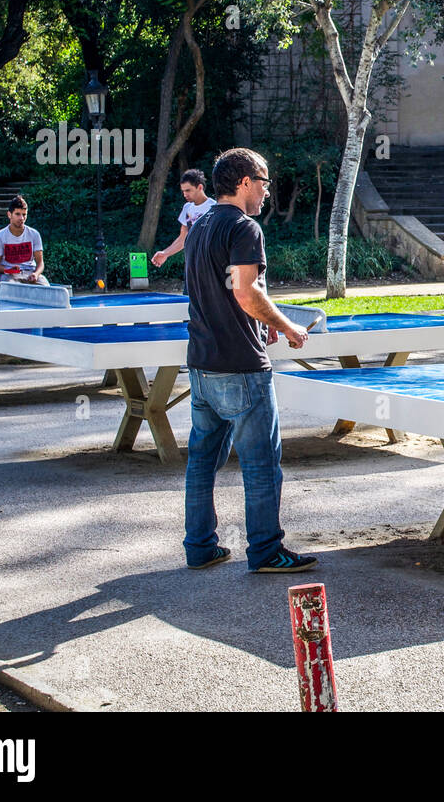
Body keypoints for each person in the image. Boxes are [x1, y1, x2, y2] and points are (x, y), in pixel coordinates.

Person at [182, 148, 315, 573]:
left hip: (202, 366)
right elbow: (245, 292)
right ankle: (265, 551)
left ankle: (200, 546)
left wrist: (263, 322)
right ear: (243, 183)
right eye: (263, 180)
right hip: (241, 367)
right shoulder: (245, 227)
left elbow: (227, 291)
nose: (267, 189)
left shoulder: (199, 226)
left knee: (202, 463)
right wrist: (290, 327)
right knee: (261, 465)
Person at [152, 169, 216, 289]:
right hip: (191, 267)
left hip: (211, 269)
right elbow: (183, 238)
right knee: (190, 305)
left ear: (200, 187)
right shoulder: (187, 208)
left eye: (188, 190)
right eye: (183, 191)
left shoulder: (214, 207)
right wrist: (165, 253)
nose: (185, 194)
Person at [0, 195, 48, 284]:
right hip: (9, 275)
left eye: (24, 214)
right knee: (8, 287)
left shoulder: (34, 234)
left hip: (30, 272)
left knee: (46, 288)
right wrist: (9, 270)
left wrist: (36, 274)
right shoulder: (0, 236)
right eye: (17, 214)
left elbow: (40, 263)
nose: (21, 218)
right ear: (9, 214)